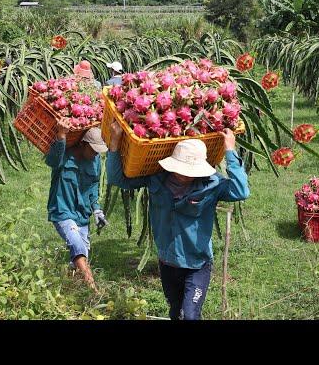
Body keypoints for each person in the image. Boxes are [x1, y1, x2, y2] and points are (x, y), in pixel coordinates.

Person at [106, 121, 249, 320]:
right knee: (175, 311)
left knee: (189, 315)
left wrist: (230, 151)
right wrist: (114, 142)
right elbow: (117, 179)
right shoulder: (155, 178)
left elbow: (241, 191)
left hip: (197, 264)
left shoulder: (212, 185)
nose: (183, 174)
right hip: (167, 262)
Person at [45, 120, 109, 292]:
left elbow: (94, 184)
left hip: (82, 214)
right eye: (93, 150)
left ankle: (67, 288)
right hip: (62, 210)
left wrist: (96, 208)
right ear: (83, 144)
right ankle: (93, 290)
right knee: (77, 246)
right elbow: (51, 161)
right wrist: (61, 135)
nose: (96, 155)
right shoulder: (64, 154)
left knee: (81, 257)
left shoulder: (95, 161)